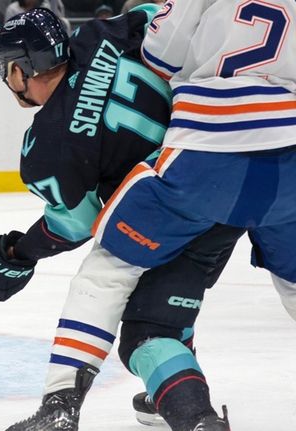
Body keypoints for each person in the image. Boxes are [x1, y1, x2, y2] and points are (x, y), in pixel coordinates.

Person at [0, 7, 245, 430]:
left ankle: (59, 407)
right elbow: (165, 17)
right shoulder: (104, 34)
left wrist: (20, 252)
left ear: (21, 69)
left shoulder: (47, 145)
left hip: (165, 199)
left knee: (109, 287)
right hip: (226, 179)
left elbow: (76, 223)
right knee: (156, 318)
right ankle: (189, 408)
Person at [53, 0, 296, 429]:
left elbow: (160, 53)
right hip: (290, 156)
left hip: (205, 153)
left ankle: (59, 403)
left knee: (108, 268)